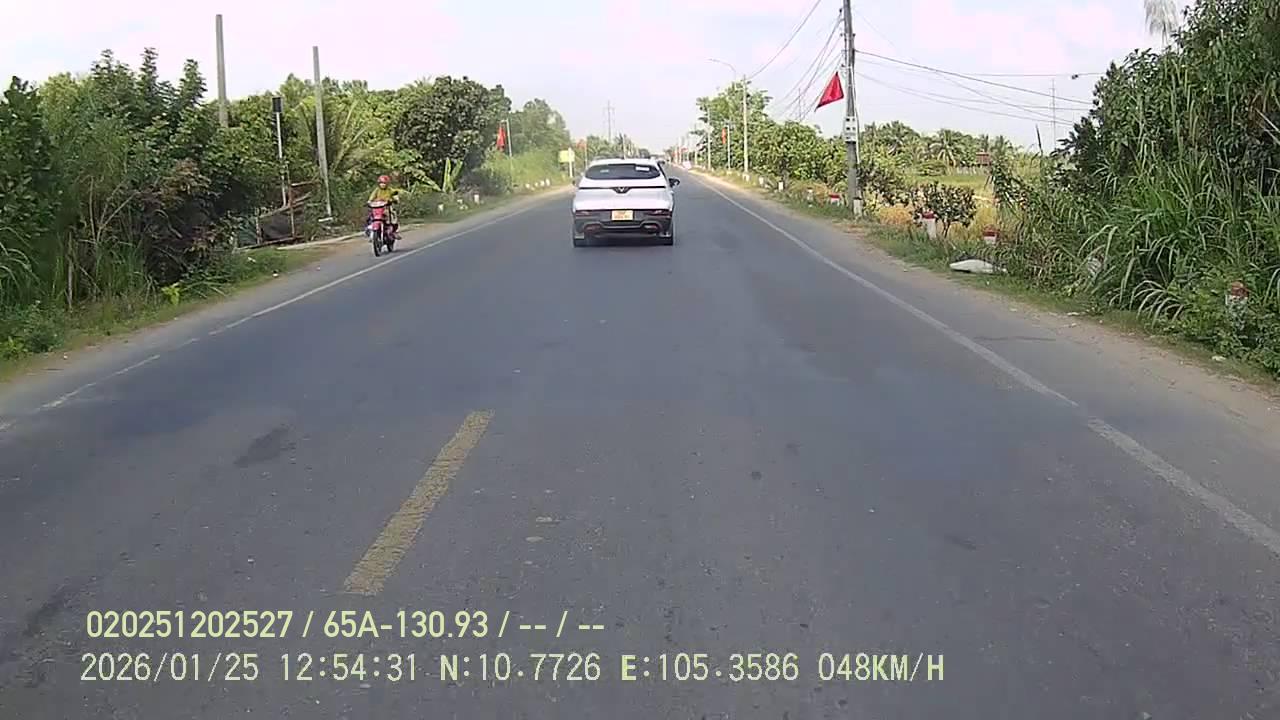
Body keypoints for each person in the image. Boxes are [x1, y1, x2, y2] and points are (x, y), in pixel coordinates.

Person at [368, 175, 402, 239]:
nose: (382, 185)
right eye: (381, 183)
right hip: (378, 207)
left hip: (387, 207)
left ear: (387, 184)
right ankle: (370, 230)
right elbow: (371, 197)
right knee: (371, 216)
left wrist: (394, 199)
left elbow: (395, 196)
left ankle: (394, 231)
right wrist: (369, 201)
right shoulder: (377, 190)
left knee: (393, 216)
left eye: (384, 183)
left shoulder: (390, 190)